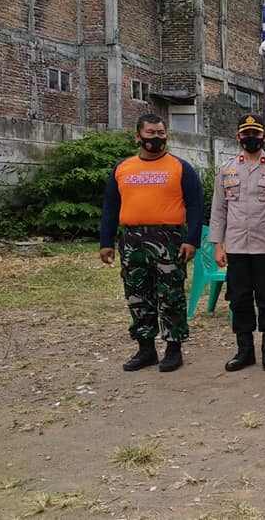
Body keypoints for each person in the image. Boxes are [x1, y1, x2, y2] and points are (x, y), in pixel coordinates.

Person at [99, 114, 203, 372]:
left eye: (160, 133)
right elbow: (111, 206)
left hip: (169, 239)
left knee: (171, 295)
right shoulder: (122, 168)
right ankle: (145, 349)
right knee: (137, 295)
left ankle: (173, 349)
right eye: (150, 133)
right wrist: (106, 241)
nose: (156, 138)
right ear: (138, 136)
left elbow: (196, 205)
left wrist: (192, 240)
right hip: (132, 240)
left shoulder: (181, 168)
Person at [209, 114, 265, 373]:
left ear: (264, 137)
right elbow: (219, 209)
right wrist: (217, 244)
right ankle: (245, 351)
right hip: (237, 247)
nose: (251, 138)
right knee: (239, 299)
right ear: (238, 137)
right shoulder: (227, 169)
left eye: (256, 134)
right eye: (246, 134)